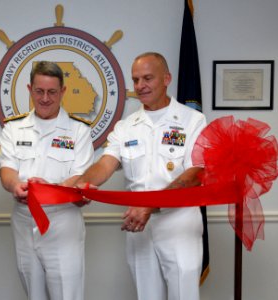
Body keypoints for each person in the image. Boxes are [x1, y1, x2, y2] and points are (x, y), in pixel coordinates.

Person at [75, 52, 207, 300]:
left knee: (184, 295)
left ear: (166, 78)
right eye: (135, 80)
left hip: (179, 223)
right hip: (138, 224)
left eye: (147, 78)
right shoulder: (126, 125)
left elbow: (194, 174)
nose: (140, 86)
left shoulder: (193, 120)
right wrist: (83, 183)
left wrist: (150, 205)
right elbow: (105, 164)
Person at [0, 61, 94, 300]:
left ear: (62, 91)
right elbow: (6, 170)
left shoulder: (78, 131)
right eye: (39, 91)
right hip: (23, 220)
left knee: (66, 295)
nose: (45, 98)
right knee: (33, 294)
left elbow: (79, 177)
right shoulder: (13, 128)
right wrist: (14, 185)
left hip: (61, 223)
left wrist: (47, 190)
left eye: (52, 92)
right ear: (30, 89)